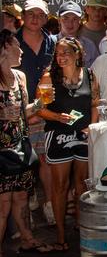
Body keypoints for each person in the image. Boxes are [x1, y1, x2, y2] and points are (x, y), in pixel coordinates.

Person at [35, 37, 98, 252]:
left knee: (82, 184)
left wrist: (92, 128)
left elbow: (95, 104)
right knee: (60, 186)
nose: (60, 57)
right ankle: (61, 236)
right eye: (58, 53)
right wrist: (56, 116)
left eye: (65, 53)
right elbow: (39, 109)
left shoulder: (89, 75)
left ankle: (82, 228)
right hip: (59, 134)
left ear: (77, 54)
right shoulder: (49, 76)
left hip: (82, 135)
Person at [0, 30, 54, 254]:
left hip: (20, 147)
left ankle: (27, 238)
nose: (21, 50)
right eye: (16, 45)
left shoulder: (20, 77)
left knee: (22, 196)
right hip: (1, 151)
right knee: (3, 204)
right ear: (3, 49)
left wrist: (42, 103)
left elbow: (24, 111)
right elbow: (9, 113)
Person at [57, 1, 100, 67]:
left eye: (74, 19)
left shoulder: (89, 45)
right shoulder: (50, 42)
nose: (70, 23)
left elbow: (97, 70)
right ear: (59, 19)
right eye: (66, 18)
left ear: (80, 20)